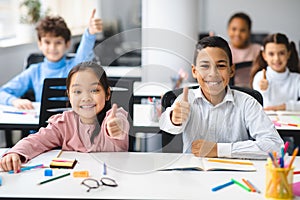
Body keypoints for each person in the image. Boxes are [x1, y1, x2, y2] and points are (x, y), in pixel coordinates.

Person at [159, 36, 283, 159]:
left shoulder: (247, 103)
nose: (213, 73)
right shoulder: (186, 99)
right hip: (195, 174)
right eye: (205, 66)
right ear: (194, 71)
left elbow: (275, 146)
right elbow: (165, 123)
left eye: (221, 66)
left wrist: (219, 150)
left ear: (232, 70)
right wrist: (174, 119)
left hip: (237, 175)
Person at [0, 62, 129, 173]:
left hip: (112, 179)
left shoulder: (115, 117)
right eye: (77, 91)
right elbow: (36, 140)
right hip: (73, 181)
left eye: (94, 90)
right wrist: (15, 152)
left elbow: (120, 123)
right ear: (69, 95)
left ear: (107, 94)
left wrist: (117, 128)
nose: (86, 98)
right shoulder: (63, 123)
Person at [0, 9, 102, 109]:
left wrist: (90, 33)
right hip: (45, 124)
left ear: (67, 44)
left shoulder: (75, 66)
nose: (52, 48)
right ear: (40, 44)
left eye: (58, 42)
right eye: (47, 42)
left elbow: (84, 51)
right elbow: (2, 92)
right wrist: (14, 101)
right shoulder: (34, 71)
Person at [251, 33, 300, 111]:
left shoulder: (297, 79)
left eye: (281, 53)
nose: (276, 58)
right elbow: (262, 106)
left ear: (288, 54)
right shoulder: (260, 77)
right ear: (264, 56)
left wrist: (283, 107)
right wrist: (263, 90)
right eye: (271, 54)